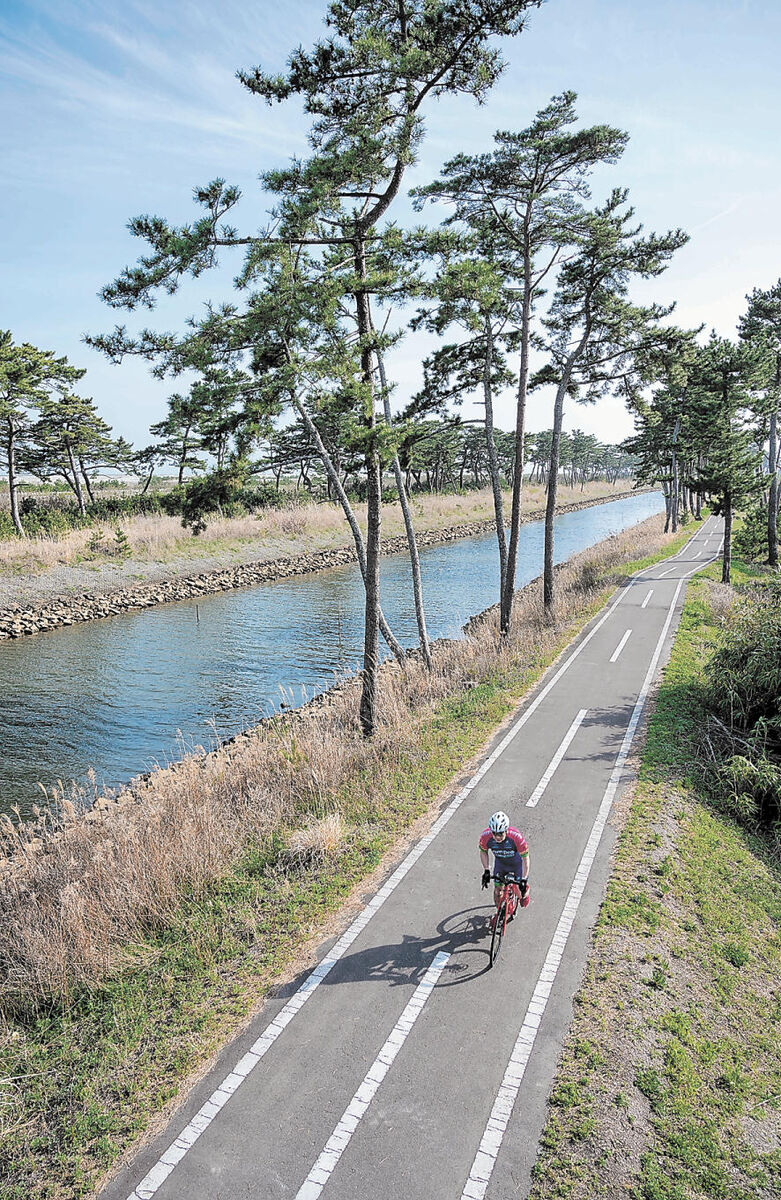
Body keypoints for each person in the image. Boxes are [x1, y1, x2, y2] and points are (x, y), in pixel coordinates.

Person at [479, 810, 530, 924]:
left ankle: (524, 894)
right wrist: (486, 870)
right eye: (495, 833)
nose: (497, 837)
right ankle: (499, 912)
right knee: (498, 891)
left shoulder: (517, 837)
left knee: (519, 891)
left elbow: (525, 859)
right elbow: (483, 852)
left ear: (506, 830)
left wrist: (523, 879)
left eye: (500, 834)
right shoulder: (485, 837)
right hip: (501, 865)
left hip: (517, 865)